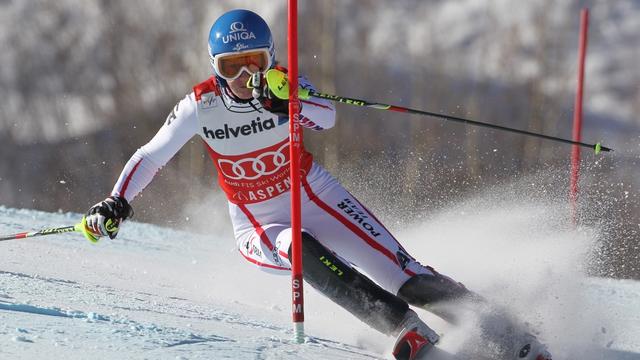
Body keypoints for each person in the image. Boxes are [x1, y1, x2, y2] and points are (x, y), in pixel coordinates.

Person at [83, 9, 551, 360]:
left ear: (272, 58)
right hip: (257, 224)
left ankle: (505, 331)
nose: (247, 79)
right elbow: (151, 155)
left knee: (403, 273)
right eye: (232, 68)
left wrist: (288, 105)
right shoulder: (199, 107)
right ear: (214, 67)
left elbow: (327, 116)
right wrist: (116, 201)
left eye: (256, 63)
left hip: (316, 195)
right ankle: (405, 332)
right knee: (297, 247)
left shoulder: (284, 85)